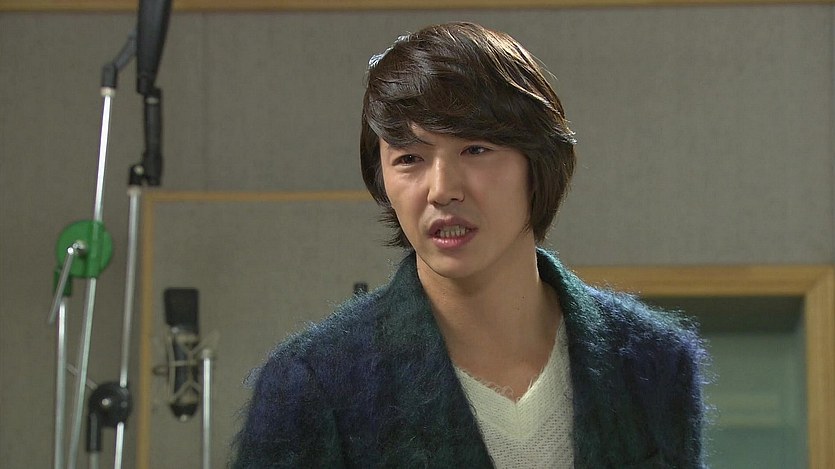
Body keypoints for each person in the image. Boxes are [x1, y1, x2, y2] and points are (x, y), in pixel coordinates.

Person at [232, 22, 708, 468]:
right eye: (410, 159)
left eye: (475, 150)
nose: (442, 190)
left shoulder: (653, 365)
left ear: (538, 164)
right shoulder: (313, 384)